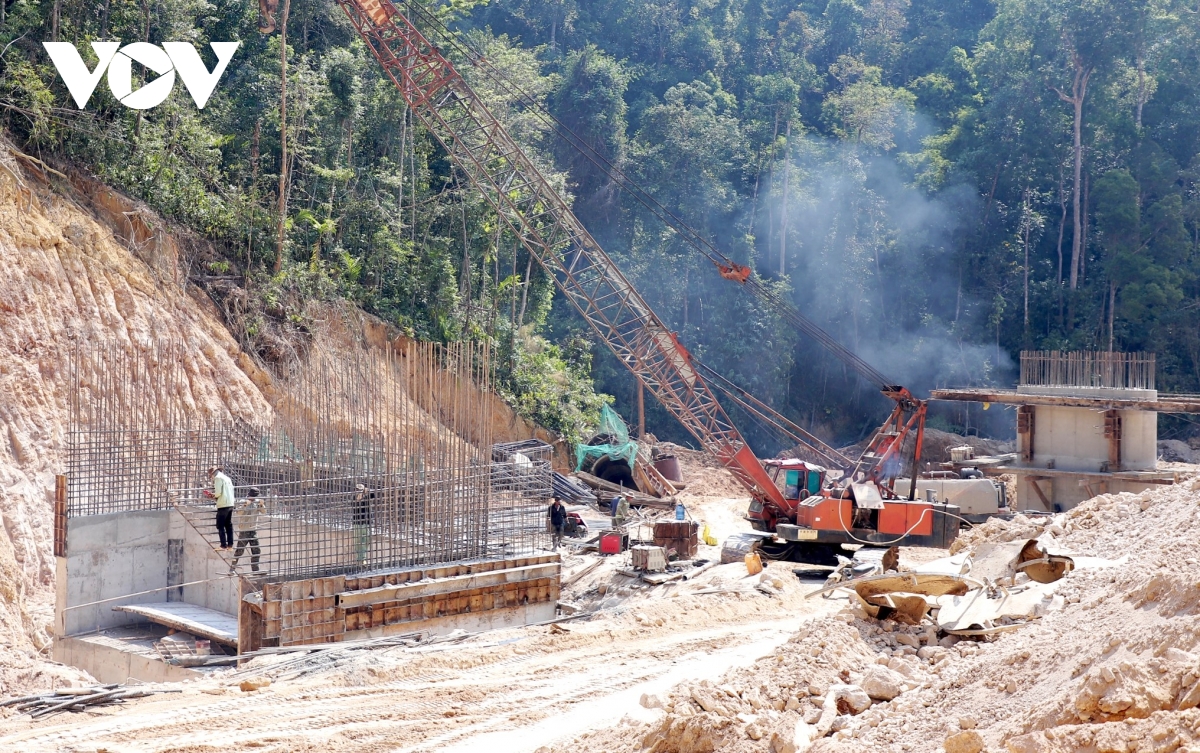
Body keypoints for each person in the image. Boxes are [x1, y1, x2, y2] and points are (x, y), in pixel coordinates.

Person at [202, 466, 236, 549]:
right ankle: (230, 545)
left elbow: (218, 493)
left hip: (223, 504)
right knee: (228, 524)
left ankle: (223, 545)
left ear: (212, 474)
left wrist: (212, 495)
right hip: (230, 503)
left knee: (220, 525)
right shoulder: (227, 478)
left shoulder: (217, 478)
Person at [232, 487, 264, 572]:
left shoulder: (257, 502)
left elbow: (264, 511)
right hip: (244, 531)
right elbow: (238, 513)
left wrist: (261, 504)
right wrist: (245, 505)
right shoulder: (243, 501)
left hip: (253, 530)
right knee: (239, 551)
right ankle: (232, 568)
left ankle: (255, 571)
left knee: (256, 551)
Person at [352, 484, 373, 566]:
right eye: (357, 490)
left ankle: (362, 558)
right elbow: (355, 502)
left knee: (367, 540)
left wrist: (368, 490)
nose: (359, 491)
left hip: (367, 522)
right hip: (357, 523)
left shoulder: (367, 497)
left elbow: (373, 495)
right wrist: (361, 494)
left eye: (360, 490)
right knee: (358, 542)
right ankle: (360, 559)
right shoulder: (354, 498)